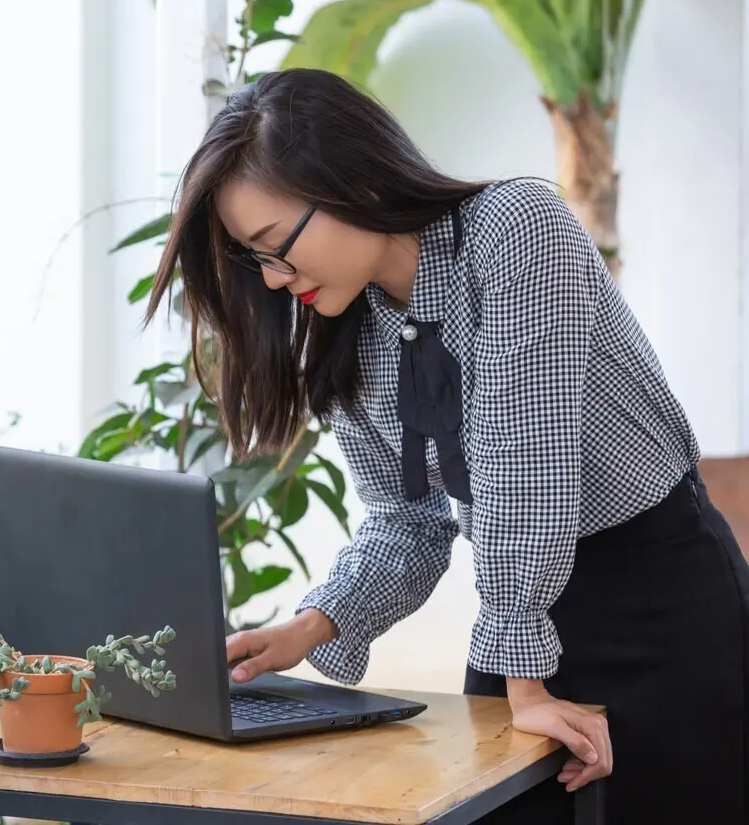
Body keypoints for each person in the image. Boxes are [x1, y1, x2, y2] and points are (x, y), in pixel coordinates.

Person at [145, 68, 749, 824]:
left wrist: (520, 683)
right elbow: (409, 523)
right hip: (522, 617)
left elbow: (523, 472)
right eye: (255, 259)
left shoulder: (516, 230)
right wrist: (311, 625)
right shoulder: (349, 333)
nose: (273, 280)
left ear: (351, 183)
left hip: (661, 600)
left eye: (277, 246)